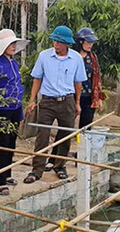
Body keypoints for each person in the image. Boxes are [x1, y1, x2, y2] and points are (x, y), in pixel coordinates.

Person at [23, 25, 87, 184]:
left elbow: (78, 83)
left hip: (67, 101)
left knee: (66, 135)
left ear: (67, 43)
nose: (56, 44)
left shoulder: (76, 58)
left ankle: (60, 166)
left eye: (59, 42)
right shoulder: (44, 56)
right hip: (47, 101)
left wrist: (78, 103)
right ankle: (37, 169)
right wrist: (32, 101)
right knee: (42, 135)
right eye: (54, 40)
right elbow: (37, 78)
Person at [45, 27, 106, 172]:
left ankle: (82, 157)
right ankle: (54, 159)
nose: (90, 44)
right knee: (65, 129)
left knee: (86, 130)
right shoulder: (71, 56)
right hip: (71, 97)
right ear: (80, 41)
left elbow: (96, 78)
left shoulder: (93, 58)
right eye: (88, 41)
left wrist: (99, 98)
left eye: (92, 42)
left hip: (89, 97)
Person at [0, 29, 29, 196]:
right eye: (10, 44)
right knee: (3, 144)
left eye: (14, 43)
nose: (13, 46)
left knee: (11, 143)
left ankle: (8, 173)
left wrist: (21, 111)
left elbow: (18, 86)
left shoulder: (14, 63)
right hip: (2, 110)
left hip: (15, 109)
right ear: (2, 46)